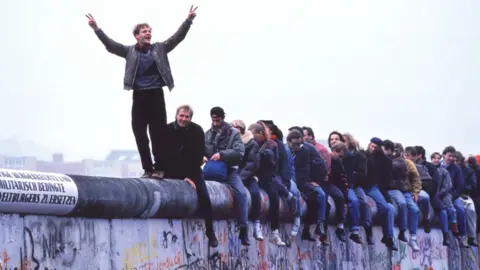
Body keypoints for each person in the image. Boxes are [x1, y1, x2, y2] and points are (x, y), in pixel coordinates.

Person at [86, 6, 198, 178]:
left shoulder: (159, 48)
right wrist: (96, 29)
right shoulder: (129, 51)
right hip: (139, 95)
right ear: (137, 35)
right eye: (144, 31)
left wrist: (188, 21)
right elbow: (111, 46)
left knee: (157, 133)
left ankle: (159, 168)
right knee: (139, 132)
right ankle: (148, 168)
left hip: (156, 94)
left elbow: (177, 38)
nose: (148, 33)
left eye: (149, 31)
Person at [163, 105, 218, 247]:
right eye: (181, 116)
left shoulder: (197, 130)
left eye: (187, 117)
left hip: (192, 168)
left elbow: (197, 155)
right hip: (172, 169)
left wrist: (190, 177)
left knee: (205, 197)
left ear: (190, 118)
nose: (183, 119)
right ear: (176, 115)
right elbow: (164, 154)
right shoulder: (167, 130)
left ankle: (210, 232)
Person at [204, 107, 250, 245]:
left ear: (223, 118)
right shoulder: (207, 134)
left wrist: (222, 155)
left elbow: (239, 152)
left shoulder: (234, 133)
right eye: (213, 120)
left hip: (229, 170)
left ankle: (244, 229)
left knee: (241, 194)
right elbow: (202, 150)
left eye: (218, 120)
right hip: (211, 169)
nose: (215, 123)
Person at [248, 123, 287, 246]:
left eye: (253, 134)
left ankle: (274, 232)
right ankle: (256, 225)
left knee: (274, 198)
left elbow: (271, 160)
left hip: (266, 177)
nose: (251, 137)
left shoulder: (271, 145)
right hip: (252, 175)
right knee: (255, 195)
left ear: (260, 133)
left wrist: (260, 154)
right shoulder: (250, 143)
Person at [287, 130, 327, 242]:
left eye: (299, 143)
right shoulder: (285, 150)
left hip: (303, 181)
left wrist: (316, 181)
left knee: (317, 197)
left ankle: (313, 226)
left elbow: (308, 169)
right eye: (295, 144)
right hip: (289, 181)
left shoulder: (304, 150)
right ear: (289, 142)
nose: (297, 146)